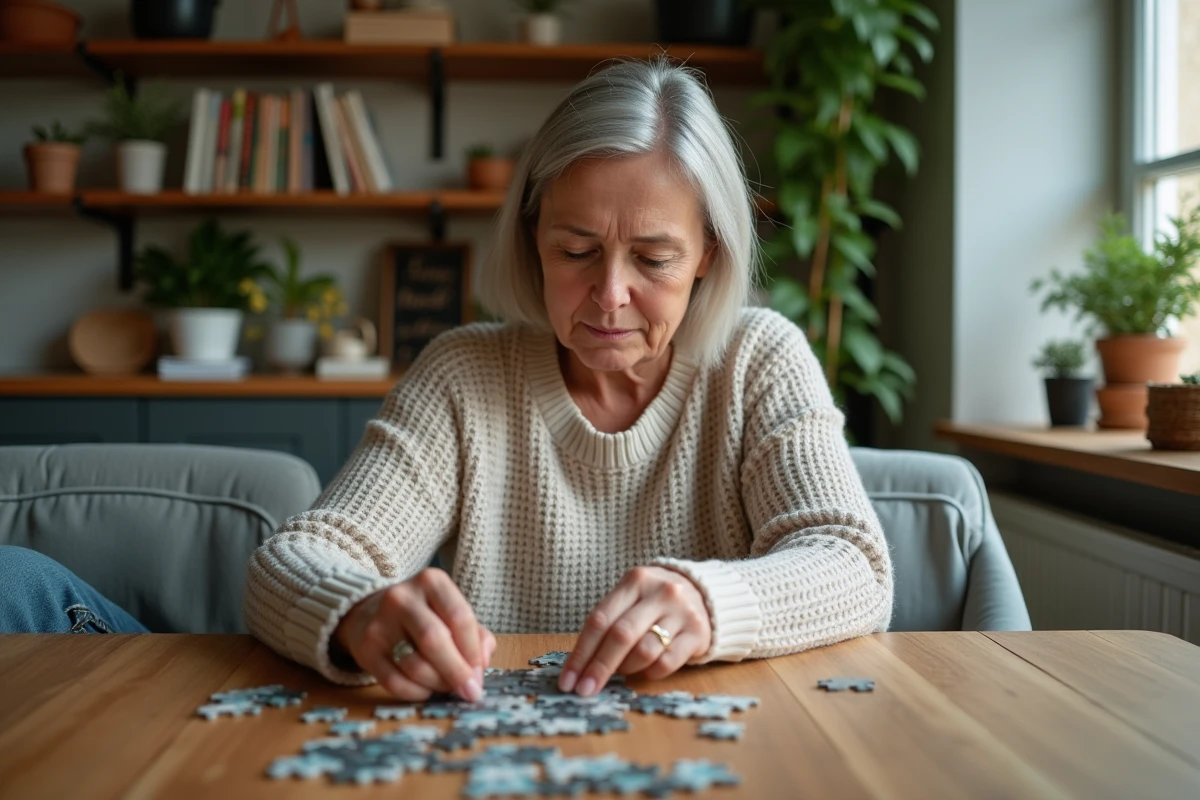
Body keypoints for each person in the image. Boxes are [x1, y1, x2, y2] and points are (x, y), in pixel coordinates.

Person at [243, 57, 894, 703]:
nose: (610, 295)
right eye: (576, 251)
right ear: (532, 240)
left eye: (653, 257)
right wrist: (359, 613)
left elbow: (853, 564)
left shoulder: (760, 360)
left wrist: (708, 601)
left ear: (708, 253)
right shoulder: (463, 377)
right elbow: (291, 560)